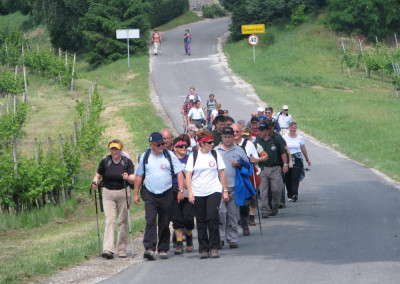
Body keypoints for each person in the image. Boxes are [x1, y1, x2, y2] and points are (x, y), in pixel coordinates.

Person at [133, 132, 184, 260]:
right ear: (151, 145)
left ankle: (163, 248)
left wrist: (181, 191)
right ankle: (149, 248)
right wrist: (135, 193)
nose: (161, 146)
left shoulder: (169, 155)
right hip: (150, 193)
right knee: (150, 220)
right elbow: (139, 175)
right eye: (158, 144)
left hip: (166, 193)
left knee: (164, 221)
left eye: (163, 143)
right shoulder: (146, 156)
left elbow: (179, 173)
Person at [186, 129, 228, 259]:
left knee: (212, 217)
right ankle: (203, 248)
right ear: (202, 143)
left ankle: (214, 246)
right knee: (201, 220)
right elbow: (188, 175)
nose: (212, 144)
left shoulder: (215, 154)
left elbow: (222, 173)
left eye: (212, 142)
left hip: (213, 190)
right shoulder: (193, 156)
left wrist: (225, 191)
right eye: (209, 142)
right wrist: (190, 192)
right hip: (198, 191)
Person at [91, 140, 135, 259]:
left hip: (123, 192)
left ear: (121, 150)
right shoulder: (106, 161)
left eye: (116, 149)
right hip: (108, 193)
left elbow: (133, 178)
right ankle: (108, 249)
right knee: (109, 220)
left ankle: (121, 249)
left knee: (122, 221)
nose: (114, 151)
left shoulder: (126, 162)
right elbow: (98, 175)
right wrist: (95, 182)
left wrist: (128, 177)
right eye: (112, 149)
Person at [216, 126, 249, 248]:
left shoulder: (239, 150)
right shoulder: (216, 150)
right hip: (218, 188)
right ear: (222, 137)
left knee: (233, 213)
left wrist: (239, 164)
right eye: (225, 137)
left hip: (235, 187)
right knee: (220, 212)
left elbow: (248, 168)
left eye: (230, 137)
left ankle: (233, 238)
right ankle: (220, 237)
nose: (228, 139)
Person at [232, 124, 268, 230]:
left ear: (241, 132)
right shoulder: (227, 144)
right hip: (234, 176)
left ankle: (250, 216)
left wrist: (253, 159)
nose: (234, 134)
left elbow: (256, 158)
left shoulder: (248, 144)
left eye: (237, 132)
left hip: (247, 174)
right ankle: (240, 218)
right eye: (232, 132)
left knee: (250, 197)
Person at [255, 124, 288, 218]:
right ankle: (265, 210)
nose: (260, 132)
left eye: (262, 131)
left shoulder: (275, 139)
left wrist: (285, 164)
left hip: (276, 168)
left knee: (276, 190)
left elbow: (282, 152)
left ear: (267, 131)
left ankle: (274, 207)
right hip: (263, 169)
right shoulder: (257, 141)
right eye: (259, 130)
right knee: (263, 191)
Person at [171, 137, 195, 254]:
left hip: (188, 191)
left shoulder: (190, 159)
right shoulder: (171, 159)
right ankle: (179, 242)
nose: (184, 148)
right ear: (175, 148)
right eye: (181, 146)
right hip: (174, 191)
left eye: (185, 146)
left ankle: (189, 236)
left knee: (189, 218)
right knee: (177, 219)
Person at [283, 122, 311, 202]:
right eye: (291, 128)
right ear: (289, 128)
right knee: (288, 177)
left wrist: (307, 159)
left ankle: (295, 194)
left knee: (295, 177)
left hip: (297, 158)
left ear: (296, 129)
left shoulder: (300, 138)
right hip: (287, 158)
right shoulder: (284, 137)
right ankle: (290, 194)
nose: (293, 130)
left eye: (294, 128)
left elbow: (303, 149)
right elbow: (282, 149)